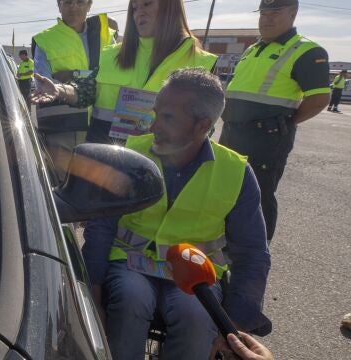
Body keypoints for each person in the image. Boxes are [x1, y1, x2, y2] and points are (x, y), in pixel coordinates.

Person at [81, 69, 271, 359]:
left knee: (196, 316)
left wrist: (232, 328)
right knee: (131, 300)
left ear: (201, 125)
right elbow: (101, 226)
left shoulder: (236, 172)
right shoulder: (131, 154)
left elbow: (253, 253)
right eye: (156, 113)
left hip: (196, 274)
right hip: (130, 263)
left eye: (167, 117)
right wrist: (91, 292)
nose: (154, 125)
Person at [218, 0, 330, 243]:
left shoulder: (306, 51)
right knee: (226, 188)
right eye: (263, 12)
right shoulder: (254, 48)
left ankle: (257, 251)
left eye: (275, 12)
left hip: (266, 137)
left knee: (258, 194)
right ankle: (225, 244)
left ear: (293, 13)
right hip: (232, 131)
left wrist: (287, 123)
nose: (267, 18)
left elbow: (320, 98)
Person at [32, 0, 217, 145]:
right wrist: (60, 90)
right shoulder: (112, 55)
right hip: (104, 161)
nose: (139, 13)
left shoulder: (201, 63)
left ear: (170, 6)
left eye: (147, 4)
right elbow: (86, 90)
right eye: (134, 7)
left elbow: (204, 129)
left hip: (161, 167)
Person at [32, 0, 116, 178]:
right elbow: (43, 84)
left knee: (100, 189)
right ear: (59, 5)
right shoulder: (45, 40)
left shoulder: (107, 36)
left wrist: (73, 74)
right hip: (63, 131)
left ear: (90, 4)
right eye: (68, 2)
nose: (74, 7)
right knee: (63, 190)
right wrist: (94, 75)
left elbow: (115, 76)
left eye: (80, 2)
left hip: (102, 127)